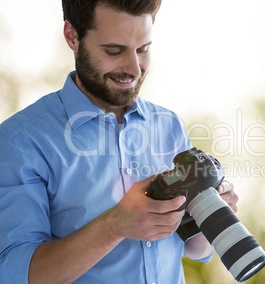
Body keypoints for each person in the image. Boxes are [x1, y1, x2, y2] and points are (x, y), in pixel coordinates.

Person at [0, 1, 239, 283]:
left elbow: (192, 248)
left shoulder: (168, 125)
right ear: (72, 36)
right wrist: (115, 225)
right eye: (114, 51)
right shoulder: (21, 142)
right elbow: (15, 273)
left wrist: (211, 215)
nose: (134, 69)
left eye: (143, 49)